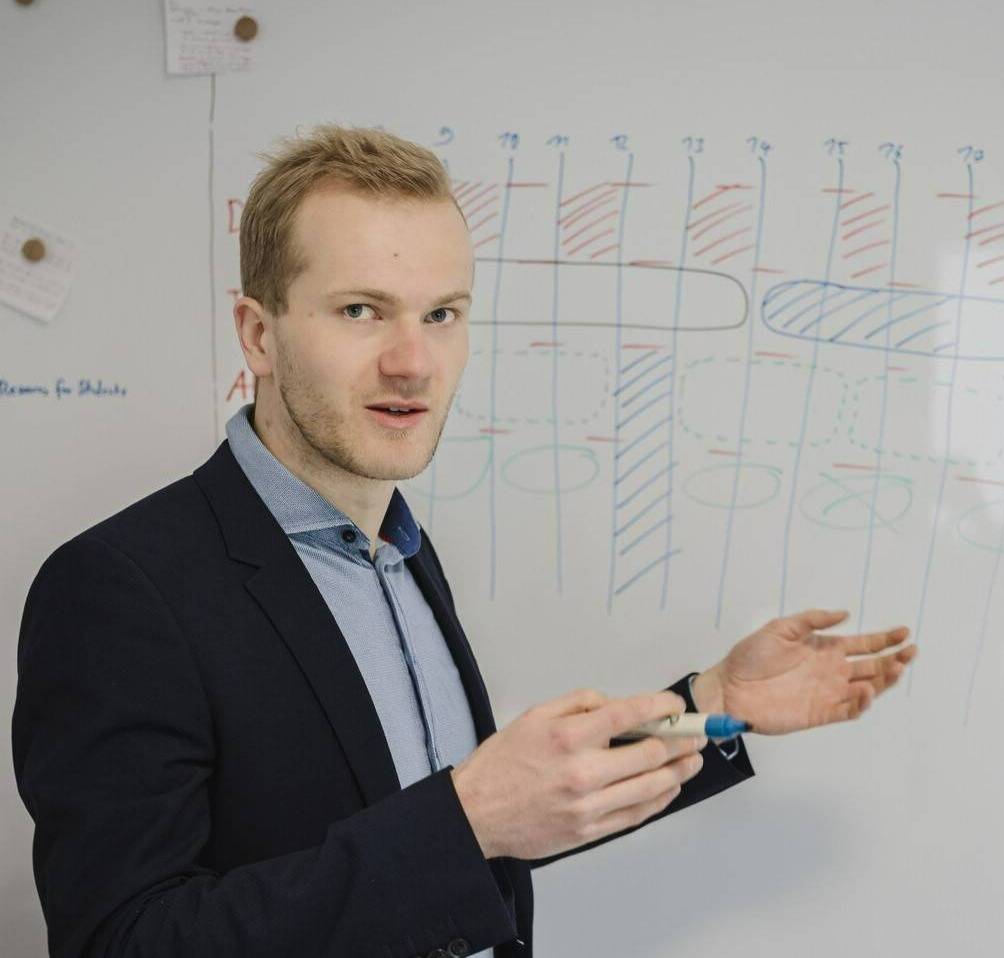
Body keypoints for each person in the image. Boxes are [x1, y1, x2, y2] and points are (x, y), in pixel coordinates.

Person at [11, 125, 916, 958]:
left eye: (441, 314)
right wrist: (468, 820)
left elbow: (517, 808)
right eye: (361, 311)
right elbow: (124, 940)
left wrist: (716, 706)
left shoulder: (401, 555)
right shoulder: (119, 588)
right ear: (259, 334)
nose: (412, 361)